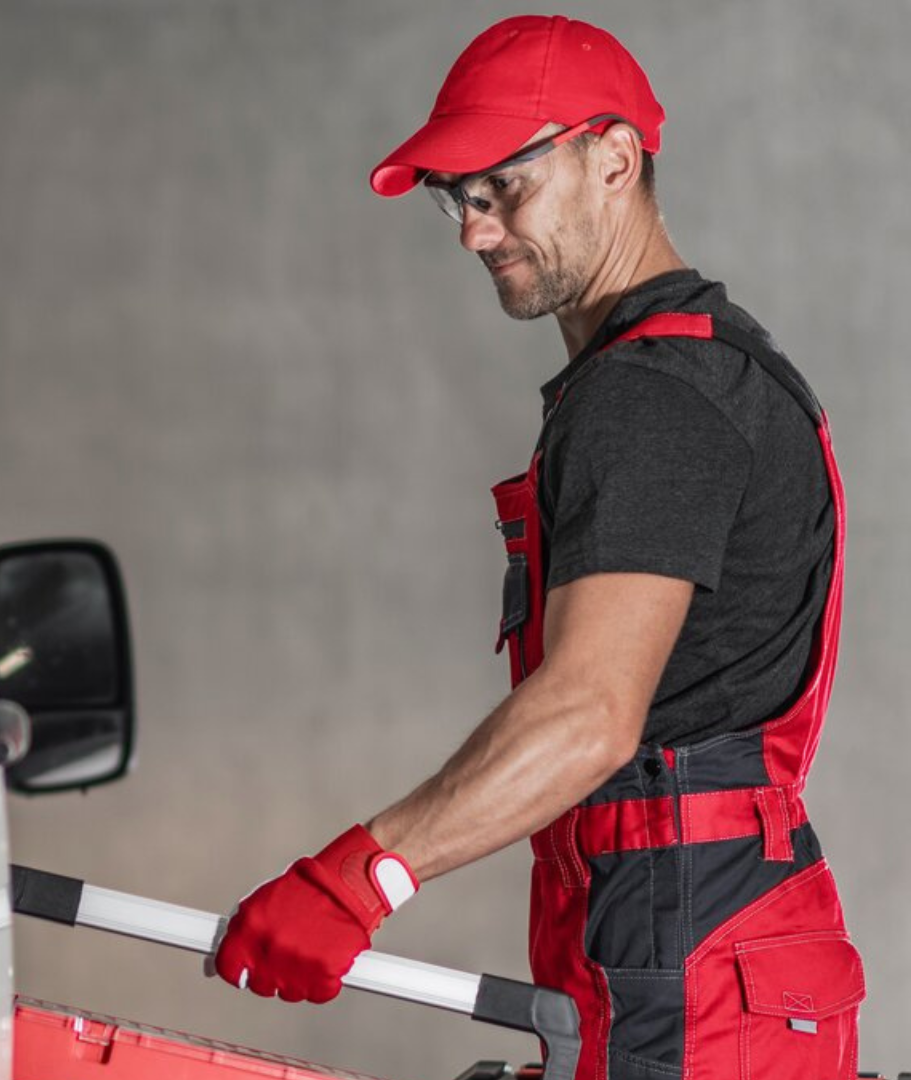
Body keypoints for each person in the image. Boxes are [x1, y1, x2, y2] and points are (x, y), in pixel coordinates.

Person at [213, 16, 865, 1080]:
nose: (475, 231)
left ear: (614, 159)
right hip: (684, 933)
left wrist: (358, 878)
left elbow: (590, 714)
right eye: (457, 198)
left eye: (504, 186)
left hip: (689, 953)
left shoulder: (655, 396)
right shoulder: (698, 371)